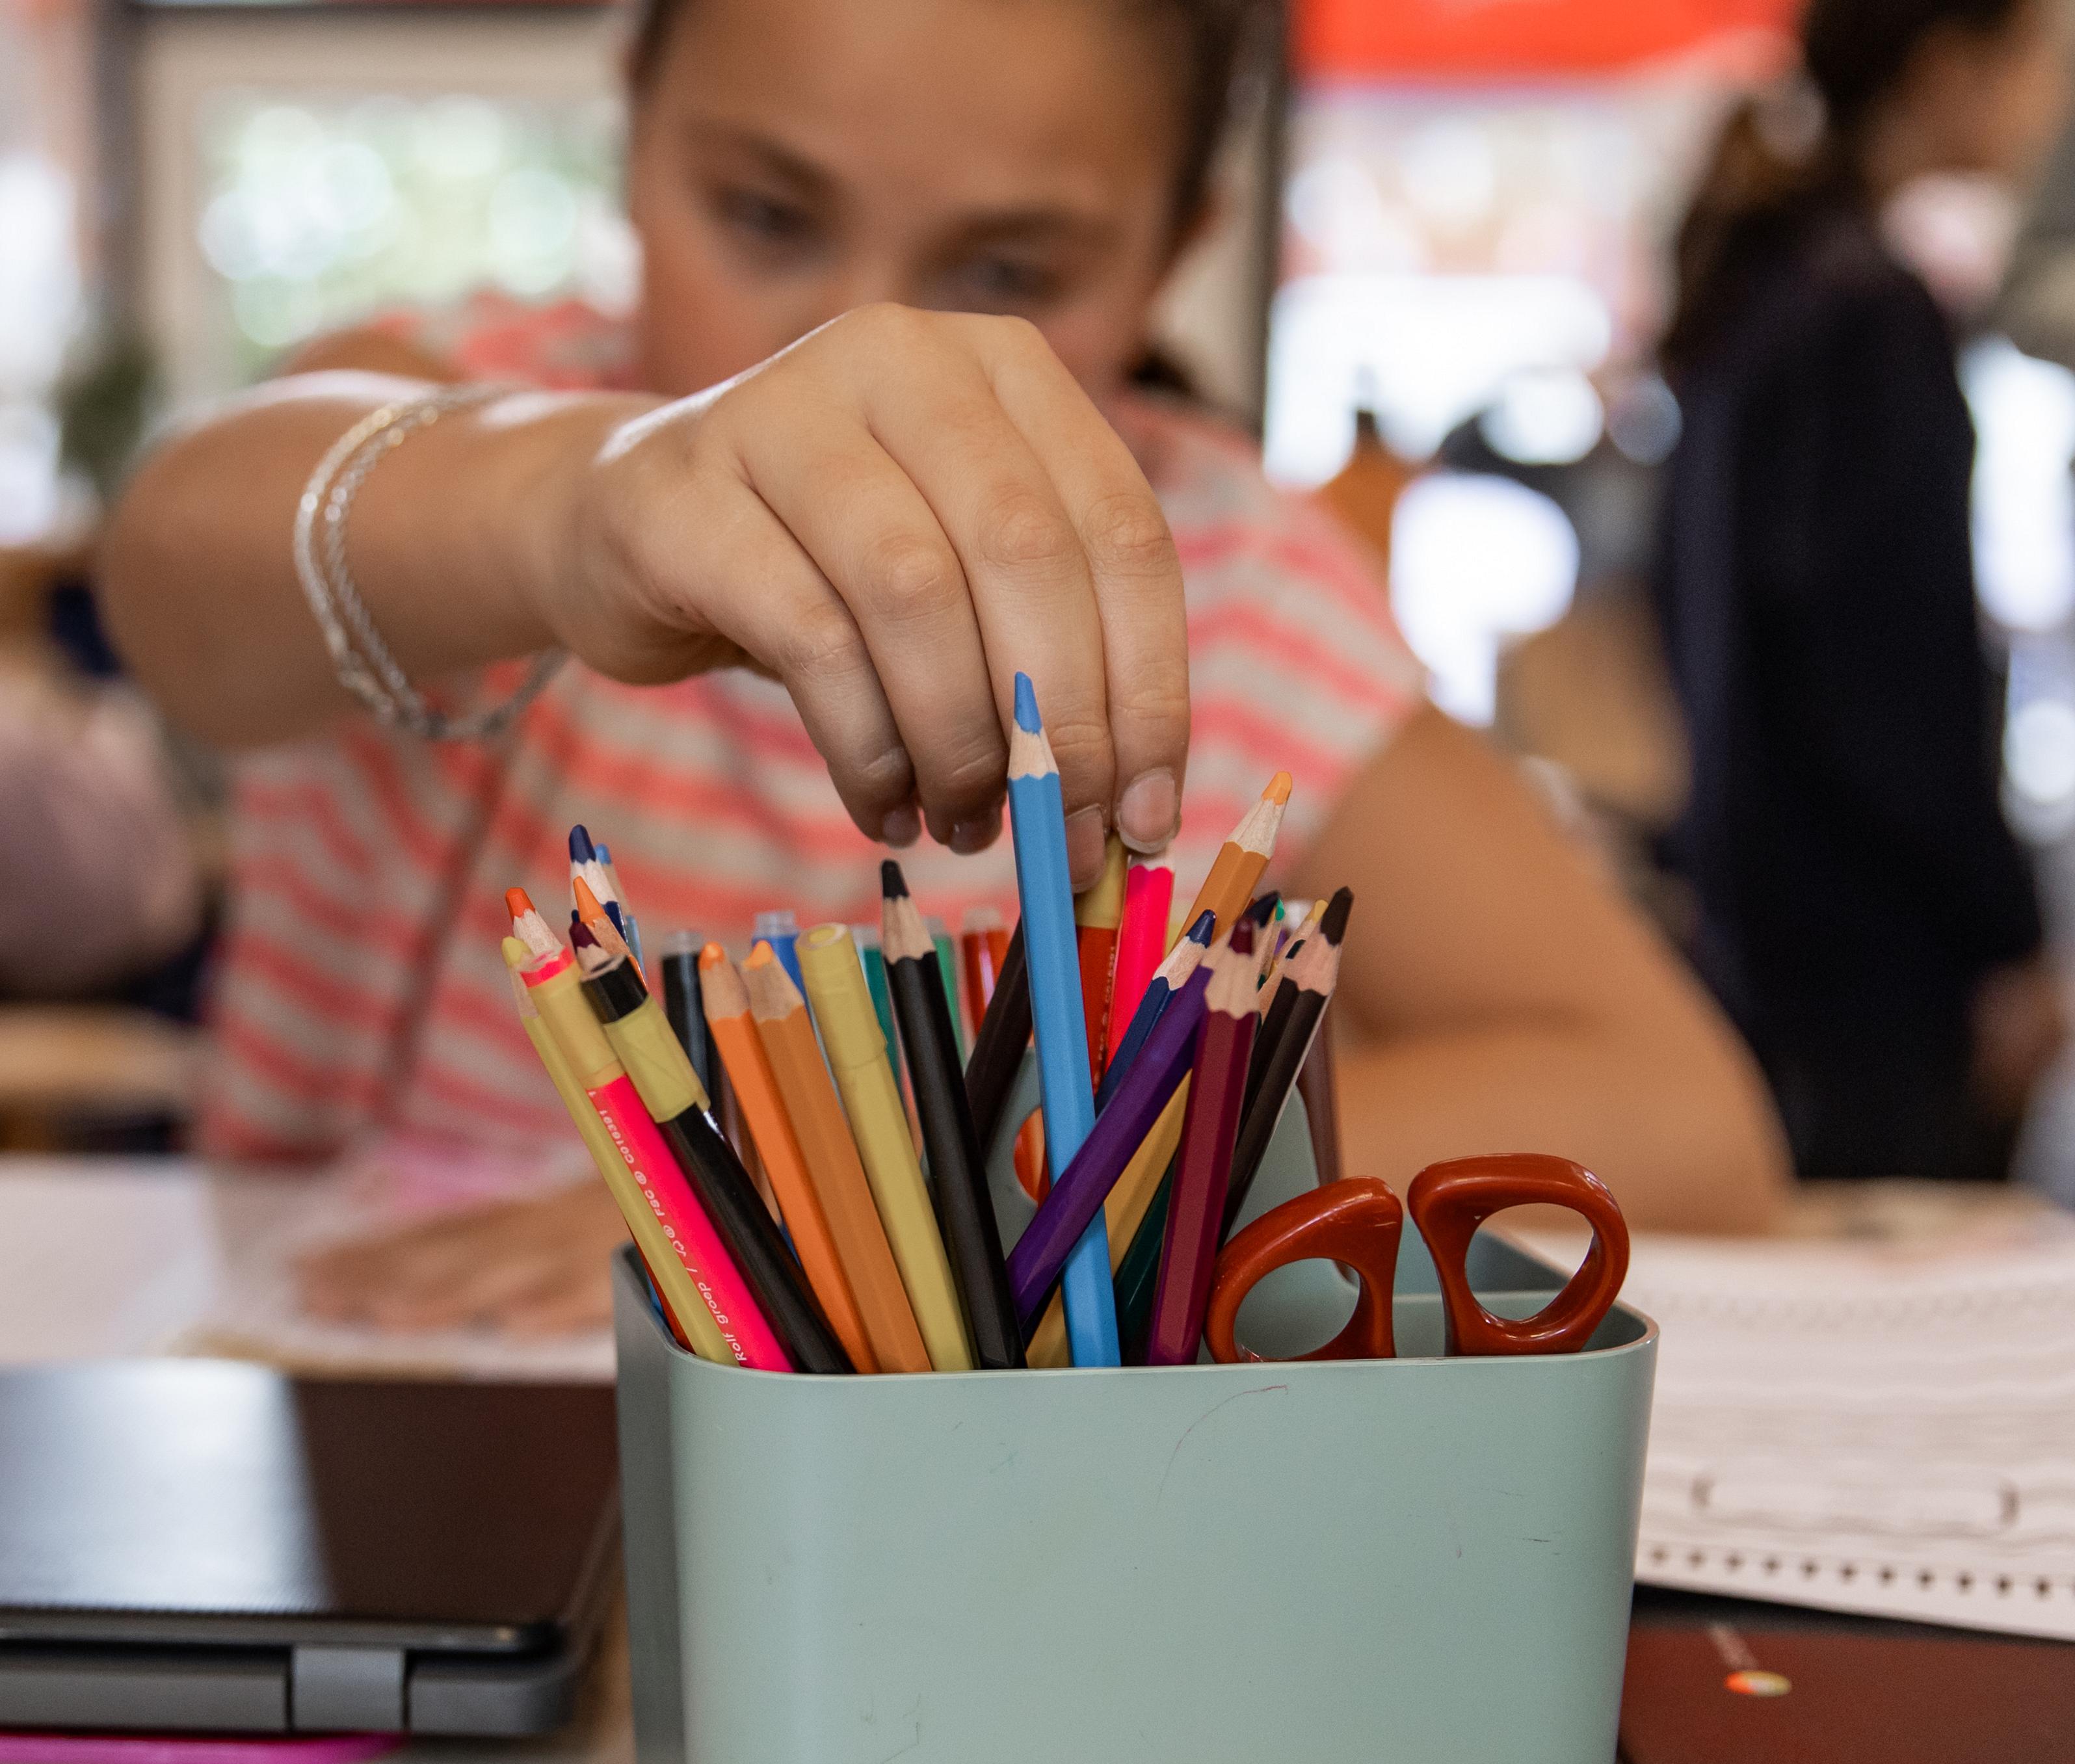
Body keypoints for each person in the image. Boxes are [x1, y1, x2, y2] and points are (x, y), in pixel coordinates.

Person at [98, 0, 1786, 1334]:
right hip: (364, 1414)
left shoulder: (1228, 581)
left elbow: (1682, 1113)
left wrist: (853, 1181)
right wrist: (570, 500)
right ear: (630, 127)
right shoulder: (467, 393)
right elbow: (184, 579)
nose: (858, 354)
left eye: (1004, 274)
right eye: (764, 213)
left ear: (1176, 243)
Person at [1657, 0, 2070, 1182]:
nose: (2049, 104)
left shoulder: (1765, 276)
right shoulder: (1871, 312)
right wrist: (2006, 938)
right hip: (1877, 978)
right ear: (1948, 70)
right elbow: (1898, 683)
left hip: (1765, 941)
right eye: (2034, 66)